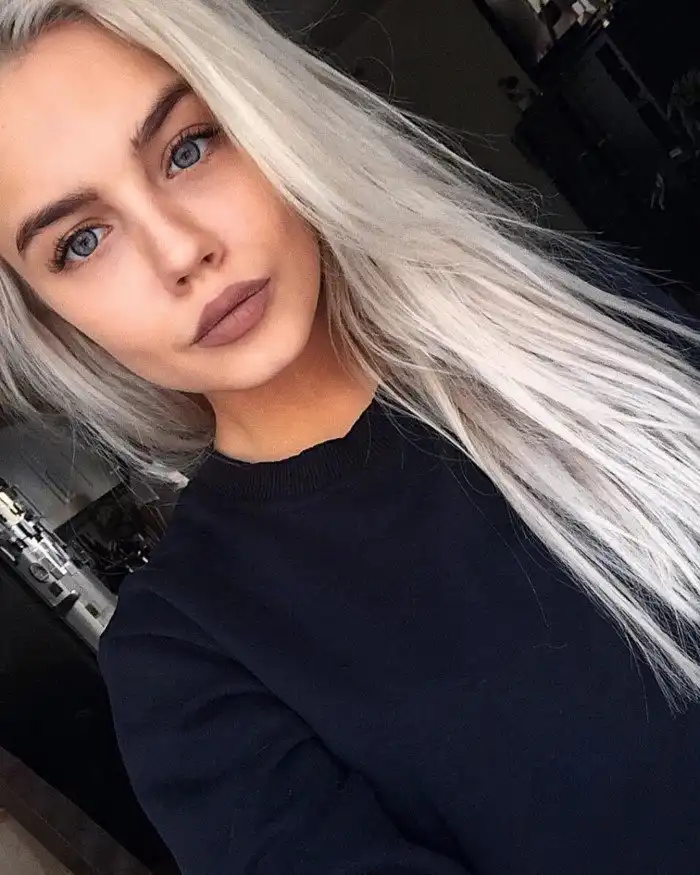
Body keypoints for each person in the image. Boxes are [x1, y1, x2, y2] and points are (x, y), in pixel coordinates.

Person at [0, 1, 699, 873]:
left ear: (265, 117)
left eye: (188, 148)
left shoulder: (563, 317)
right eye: (81, 241)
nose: (179, 251)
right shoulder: (185, 660)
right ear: (52, 321)